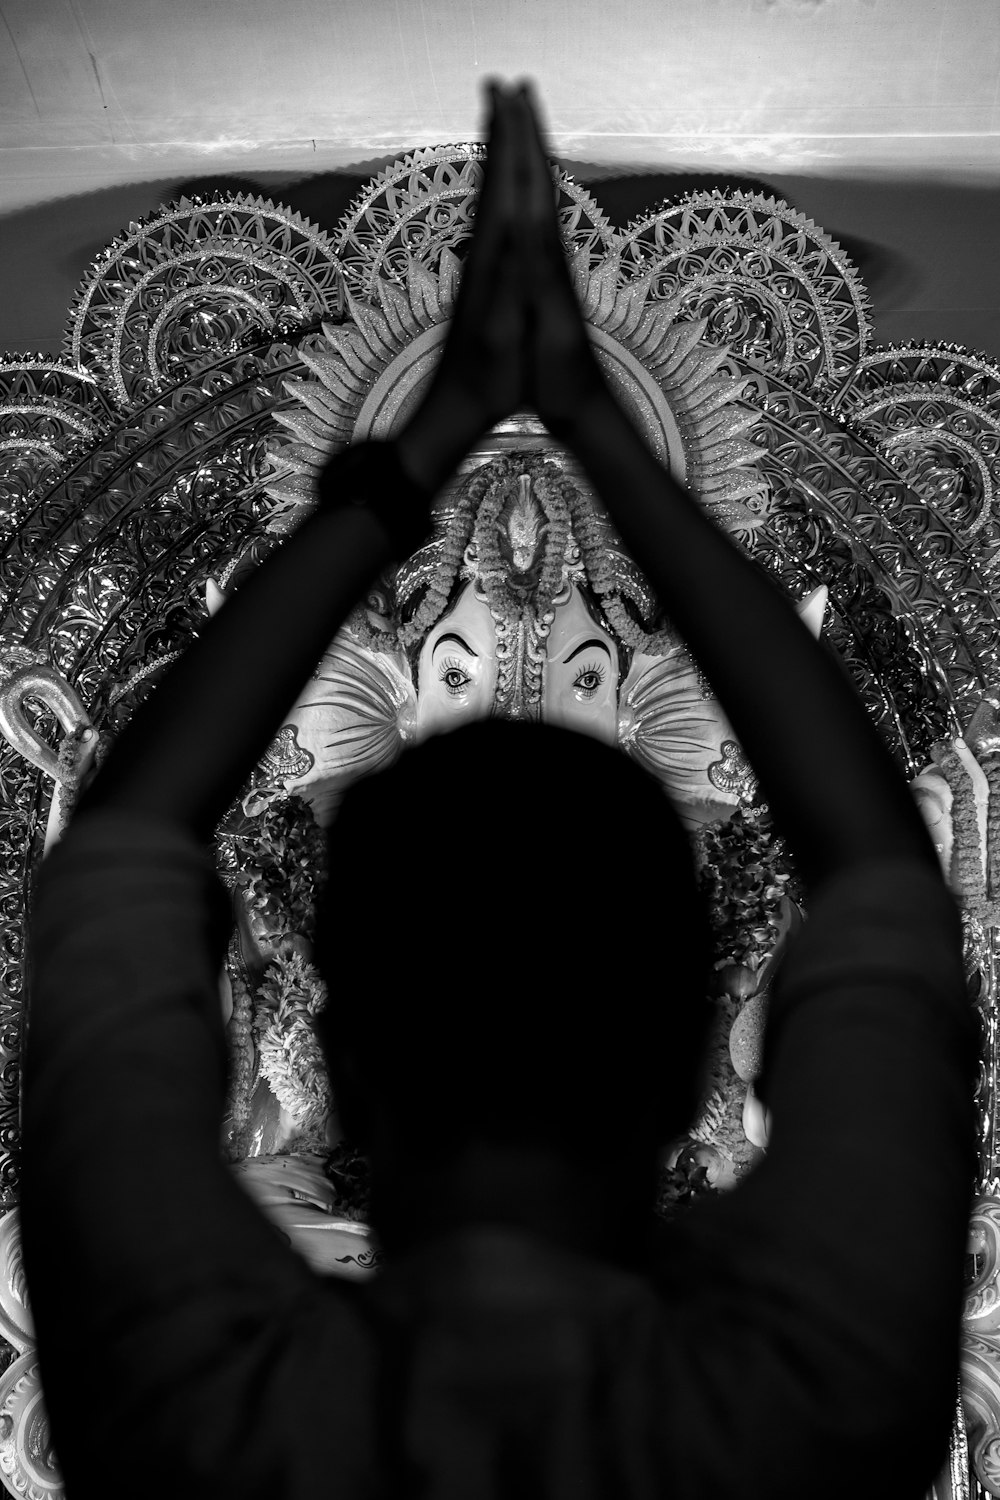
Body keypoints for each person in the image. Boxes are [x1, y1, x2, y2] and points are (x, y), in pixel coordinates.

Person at [22, 79, 976, 1499]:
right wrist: (609, 446)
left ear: (340, 1046)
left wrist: (414, 466)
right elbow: (887, 873)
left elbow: (123, 844)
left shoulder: (211, 1423)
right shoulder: (806, 1409)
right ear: (691, 1044)